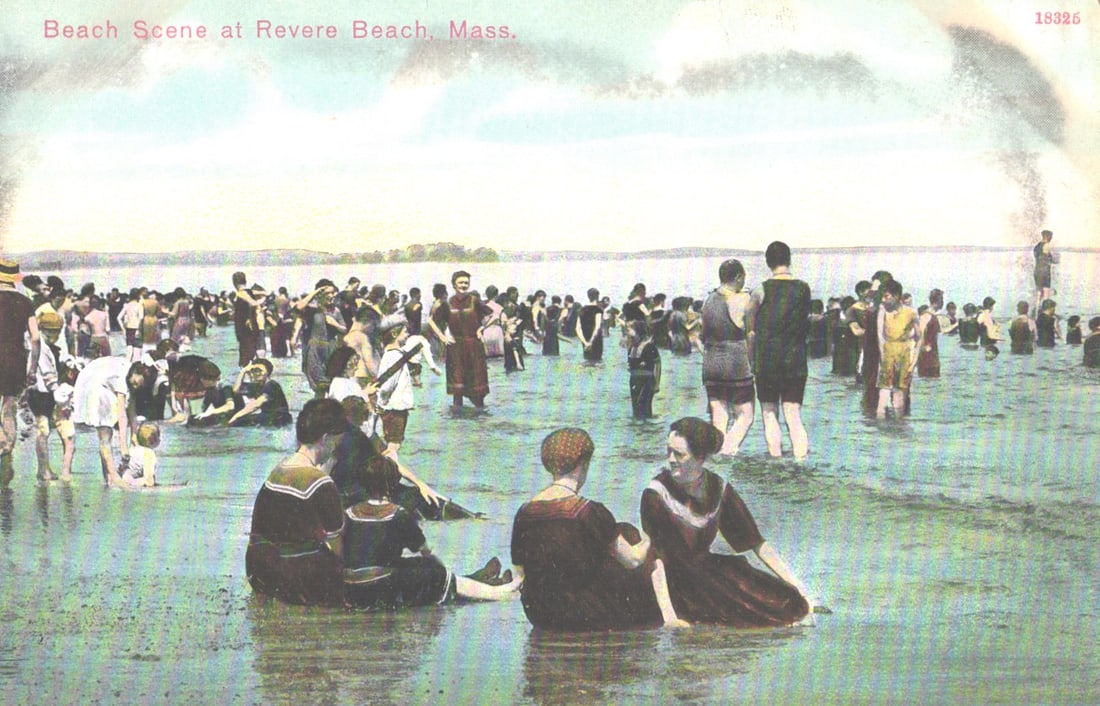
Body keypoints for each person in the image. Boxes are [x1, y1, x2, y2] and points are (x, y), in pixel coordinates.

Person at [640, 418, 812, 627]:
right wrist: (669, 617)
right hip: (674, 581)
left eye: (679, 454)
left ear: (700, 457)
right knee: (749, 615)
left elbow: (755, 542)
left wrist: (797, 586)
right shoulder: (655, 495)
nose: (671, 459)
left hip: (708, 571)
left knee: (789, 601)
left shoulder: (717, 488)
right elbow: (655, 557)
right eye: (669, 451)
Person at [510, 428, 687, 630]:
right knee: (630, 534)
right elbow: (633, 560)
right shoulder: (589, 511)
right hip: (586, 615)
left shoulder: (524, 511)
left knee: (613, 536)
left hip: (540, 615)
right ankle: (669, 617)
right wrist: (650, 539)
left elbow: (520, 573)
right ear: (582, 465)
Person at [342, 455, 520, 610]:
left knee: (415, 566)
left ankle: (475, 581)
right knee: (434, 571)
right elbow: (426, 551)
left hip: (352, 588)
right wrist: (442, 570)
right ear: (391, 484)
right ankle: (496, 592)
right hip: (381, 587)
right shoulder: (397, 514)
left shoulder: (349, 513)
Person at [245, 398, 348, 606]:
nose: (335, 450)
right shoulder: (320, 482)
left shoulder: (279, 469)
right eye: (336, 443)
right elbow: (337, 545)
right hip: (295, 577)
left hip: (259, 571)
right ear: (325, 438)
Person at [745, 241, 811, 459]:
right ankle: (800, 461)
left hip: (767, 361)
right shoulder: (804, 288)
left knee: (769, 413)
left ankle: (775, 460)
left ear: (768, 262)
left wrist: (752, 360)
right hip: (796, 360)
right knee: (794, 415)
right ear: (789, 259)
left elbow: (750, 329)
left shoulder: (760, 290)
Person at [701, 259, 755, 455]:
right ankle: (728, 450)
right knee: (745, 415)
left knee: (719, 414)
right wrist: (754, 362)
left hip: (711, 362)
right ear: (739, 277)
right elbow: (750, 332)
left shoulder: (708, 300)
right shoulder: (741, 299)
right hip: (736, 362)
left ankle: (715, 453)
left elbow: (704, 333)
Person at [72, 356, 151, 485]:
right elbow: (122, 414)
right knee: (106, 433)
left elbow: (132, 409)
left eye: (139, 386)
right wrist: (123, 447)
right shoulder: (122, 378)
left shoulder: (130, 374)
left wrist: (134, 435)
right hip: (92, 385)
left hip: (97, 381)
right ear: (135, 373)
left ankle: (108, 476)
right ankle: (113, 477)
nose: (135, 386)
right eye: (136, 383)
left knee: (106, 434)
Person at [0, 259, 41, 486]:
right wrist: (32, 369)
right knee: (9, 410)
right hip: (16, 360)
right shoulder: (25, 302)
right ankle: (6, 457)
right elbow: (35, 338)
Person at [445, 271, 491, 409]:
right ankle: (457, 419)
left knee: (477, 389)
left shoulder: (474, 300)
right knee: (457, 389)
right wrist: (445, 335)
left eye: (466, 283)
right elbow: (437, 321)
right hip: (456, 348)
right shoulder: (449, 302)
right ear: (454, 284)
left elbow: (491, 314)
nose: (464, 285)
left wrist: (482, 328)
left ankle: (480, 417)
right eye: (460, 282)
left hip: (473, 347)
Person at [30, 311, 66, 481]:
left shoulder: (45, 345)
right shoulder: (43, 348)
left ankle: (44, 468)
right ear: (45, 330)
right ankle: (44, 469)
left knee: (44, 430)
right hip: (40, 392)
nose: (57, 336)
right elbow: (47, 373)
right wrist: (58, 391)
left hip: (42, 392)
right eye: (54, 332)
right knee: (43, 430)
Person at [876, 280, 920, 419]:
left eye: (886, 296)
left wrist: (914, 361)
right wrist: (883, 356)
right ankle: (879, 422)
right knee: (883, 392)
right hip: (888, 351)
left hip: (904, 352)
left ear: (896, 296)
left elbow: (919, 338)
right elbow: (880, 335)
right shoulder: (883, 311)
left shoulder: (911, 312)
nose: (883, 300)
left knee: (899, 392)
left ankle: (899, 424)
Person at [296, 280, 347, 396]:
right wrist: (316, 291)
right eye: (328, 293)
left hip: (331, 348)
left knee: (331, 382)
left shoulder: (335, 310)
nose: (332, 296)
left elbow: (344, 329)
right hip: (314, 348)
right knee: (318, 384)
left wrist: (335, 324)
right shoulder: (312, 309)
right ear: (320, 295)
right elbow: (299, 306)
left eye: (333, 293)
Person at [626, 319, 660, 419]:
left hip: (647, 380)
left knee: (645, 408)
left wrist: (657, 384)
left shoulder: (649, 346)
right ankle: (638, 427)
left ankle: (647, 426)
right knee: (636, 409)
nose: (627, 332)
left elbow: (658, 365)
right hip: (634, 380)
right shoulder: (631, 347)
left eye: (629, 329)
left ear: (637, 330)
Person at [232, 272, 262, 367]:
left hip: (245, 329)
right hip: (250, 328)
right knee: (251, 354)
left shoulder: (242, 293)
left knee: (246, 358)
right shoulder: (249, 292)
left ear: (234, 282)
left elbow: (253, 303)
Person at [120, 422, 160, 488]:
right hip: (131, 482)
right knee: (151, 479)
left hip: (122, 476)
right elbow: (149, 480)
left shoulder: (133, 449)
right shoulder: (149, 454)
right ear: (154, 440)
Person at [916, 294, 941, 378]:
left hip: (933, 356)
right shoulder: (926, 315)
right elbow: (920, 331)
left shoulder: (933, 315)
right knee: (926, 380)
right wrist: (922, 347)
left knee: (934, 381)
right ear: (939, 300)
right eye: (942, 300)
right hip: (927, 356)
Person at [577, 288, 604, 363]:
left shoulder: (581, 310)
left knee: (587, 361)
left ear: (588, 296)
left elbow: (577, 328)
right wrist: (591, 342)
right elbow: (597, 327)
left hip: (585, 337)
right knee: (597, 362)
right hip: (596, 339)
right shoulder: (598, 310)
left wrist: (585, 342)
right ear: (597, 296)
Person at [1033, 229, 1056, 310]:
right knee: (1046, 293)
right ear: (1047, 236)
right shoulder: (1047, 245)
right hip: (1045, 272)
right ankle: (1046, 311)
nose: (1051, 238)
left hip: (1037, 271)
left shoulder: (1036, 247)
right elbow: (1052, 259)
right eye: (1051, 237)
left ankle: (1036, 310)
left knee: (1039, 293)